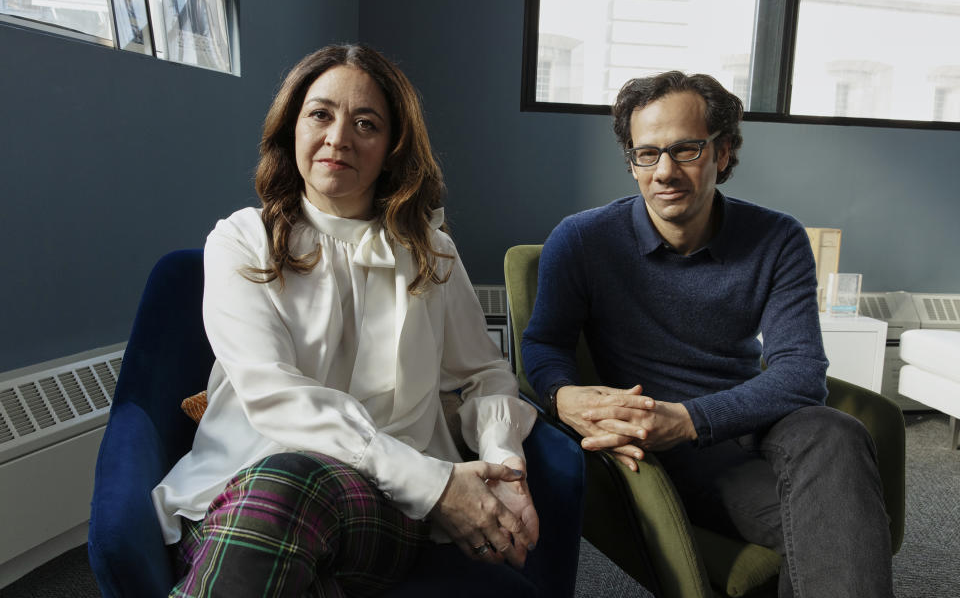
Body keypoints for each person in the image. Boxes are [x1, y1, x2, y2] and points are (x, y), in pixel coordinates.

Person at [152, 44, 539, 597]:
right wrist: (436, 484)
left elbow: (486, 374)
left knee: (292, 486)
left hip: (381, 508)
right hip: (239, 489)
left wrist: (505, 464)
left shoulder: (433, 252)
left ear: (392, 148)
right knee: (282, 490)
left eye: (366, 123)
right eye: (320, 114)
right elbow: (273, 393)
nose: (338, 138)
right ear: (291, 128)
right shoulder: (240, 239)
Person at [522, 71, 893, 597]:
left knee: (836, 431)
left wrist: (692, 419)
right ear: (631, 162)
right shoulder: (582, 240)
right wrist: (561, 396)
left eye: (686, 150)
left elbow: (801, 373)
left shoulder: (777, 236)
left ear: (724, 152)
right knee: (835, 521)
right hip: (667, 451)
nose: (664, 172)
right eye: (646, 154)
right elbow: (544, 343)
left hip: (751, 421)